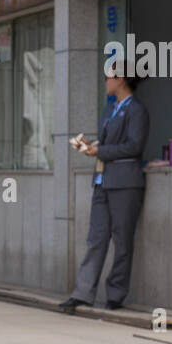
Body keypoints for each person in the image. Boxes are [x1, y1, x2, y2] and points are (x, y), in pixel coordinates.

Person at [60, 70, 150, 312]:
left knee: (122, 240)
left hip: (124, 182)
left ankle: (116, 294)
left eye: (108, 76)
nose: (105, 81)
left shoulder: (136, 110)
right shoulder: (110, 109)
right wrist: (93, 145)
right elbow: (109, 142)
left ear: (120, 79)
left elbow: (134, 146)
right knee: (95, 239)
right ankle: (82, 293)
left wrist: (101, 152)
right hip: (102, 180)